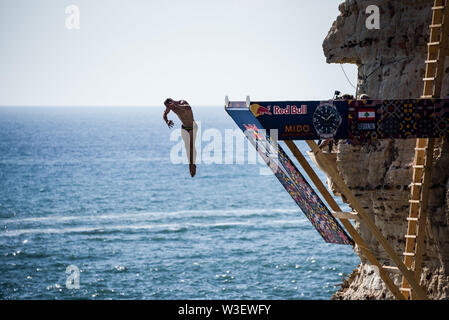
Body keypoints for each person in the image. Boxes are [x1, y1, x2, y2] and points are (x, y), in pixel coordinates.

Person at [163, 98, 197, 177]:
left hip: (193, 127)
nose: (170, 109)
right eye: (168, 107)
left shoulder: (182, 102)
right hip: (184, 127)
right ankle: (191, 164)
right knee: (187, 148)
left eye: (170, 107)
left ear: (171, 102)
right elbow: (164, 114)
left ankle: (193, 165)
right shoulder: (170, 107)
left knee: (191, 146)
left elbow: (188, 107)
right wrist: (167, 121)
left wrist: (176, 106)